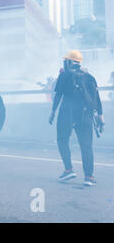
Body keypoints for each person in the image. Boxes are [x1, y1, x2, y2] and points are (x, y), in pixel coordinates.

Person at [49, 50, 104, 187]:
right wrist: (100, 118)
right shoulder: (90, 77)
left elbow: (58, 97)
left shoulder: (64, 76)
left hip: (66, 114)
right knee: (86, 146)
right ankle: (89, 177)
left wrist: (52, 112)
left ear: (69, 62)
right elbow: (97, 99)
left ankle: (68, 170)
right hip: (85, 115)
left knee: (62, 140)